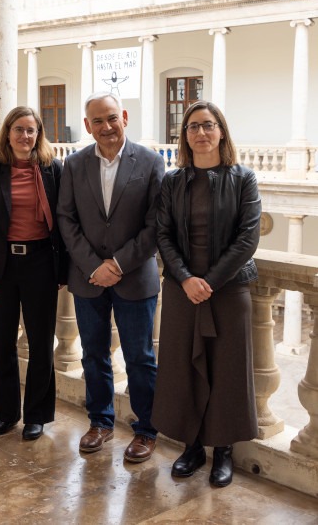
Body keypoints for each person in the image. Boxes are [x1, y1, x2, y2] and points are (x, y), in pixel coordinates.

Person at [152, 101, 261, 487]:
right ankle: (192, 446)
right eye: (193, 126)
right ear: (184, 135)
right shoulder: (172, 181)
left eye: (208, 125)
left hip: (228, 290)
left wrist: (209, 281)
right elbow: (162, 235)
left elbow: (248, 237)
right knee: (182, 368)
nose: (201, 132)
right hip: (182, 291)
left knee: (227, 370)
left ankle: (224, 450)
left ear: (221, 131)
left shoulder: (244, 178)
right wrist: (186, 279)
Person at [56, 91, 164, 463]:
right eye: (98, 121)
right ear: (88, 126)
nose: (106, 127)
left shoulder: (150, 162)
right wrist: (93, 266)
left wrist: (117, 264)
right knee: (93, 354)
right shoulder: (74, 164)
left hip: (134, 278)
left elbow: (155, 225)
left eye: (112, 118)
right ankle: (100, 422)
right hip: (88, 279)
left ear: (125, 118)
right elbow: (66, 219)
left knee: (140, 358)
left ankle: (146, 429)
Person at [0, 106, 68, 441]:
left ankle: (37, 415)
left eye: (31, 130)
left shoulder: (53, 169)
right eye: (19, 129)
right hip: (2, 266)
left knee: (41, 342)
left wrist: (63, 269)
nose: (25, 136)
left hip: (41, 263)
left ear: (38, 134)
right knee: (3, 343)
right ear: (8, 133)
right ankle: (5, 413)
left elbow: (64, 221)